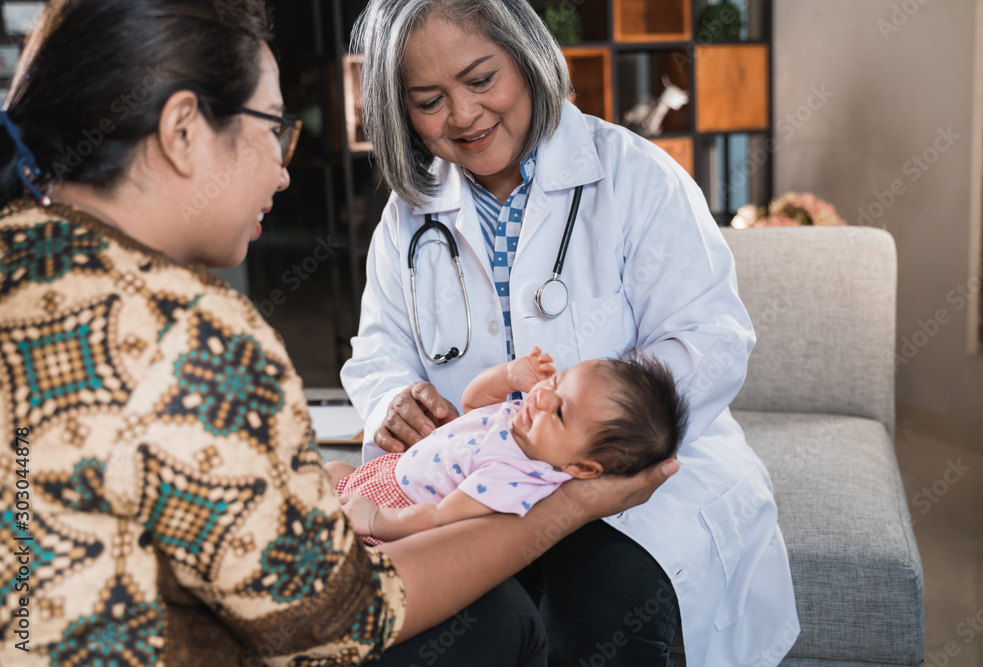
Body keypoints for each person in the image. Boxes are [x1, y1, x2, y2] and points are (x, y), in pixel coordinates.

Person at [0, 2, 678, 666]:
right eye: (274, 129)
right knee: (496, 621)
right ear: (182, 130)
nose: (284, 168)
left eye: (478, 80)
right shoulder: (195, 335)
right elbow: (337, 617)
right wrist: (561, 506)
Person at [341, 0, 801, 665]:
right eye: (428, 99)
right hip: (468, 482)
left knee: (596, 610)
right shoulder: (408, 215)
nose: (464, 114)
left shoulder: (637, 176)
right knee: (447, 627)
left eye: (480, 79)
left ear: (525, 56)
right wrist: (393, 399)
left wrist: (588, 435)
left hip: (618, 485)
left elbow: (711, 338)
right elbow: (377, 348)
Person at [329, 347, 687, 544]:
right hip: (386, 476)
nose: (545, 397)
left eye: (560, 413)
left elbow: (439, 519)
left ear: (581, 469)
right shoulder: (523, 420)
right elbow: (471, 403)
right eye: (559, 381)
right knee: (327, 473)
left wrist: (376, 519)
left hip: (397, 516)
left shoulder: (516, 476)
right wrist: (508, 376)